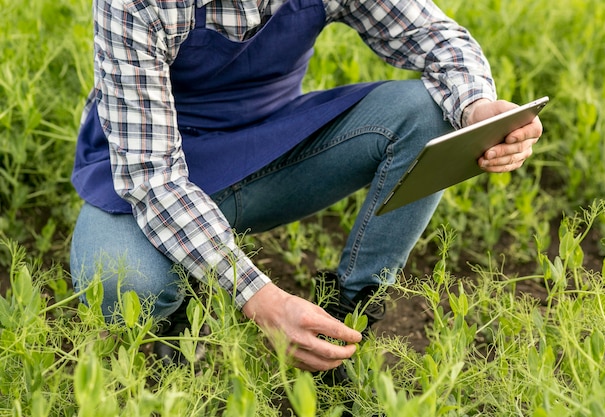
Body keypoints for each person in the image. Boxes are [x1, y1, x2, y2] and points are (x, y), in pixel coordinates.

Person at [70, 0, 543, 373]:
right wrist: (262, 299)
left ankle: (347, 317)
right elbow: (153, 178)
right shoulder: (136, 3)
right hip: (152, 165)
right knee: (121, 284)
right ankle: (174, 323)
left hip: (274, 145)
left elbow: (431, 35)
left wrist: (477, 107)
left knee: (431, 113)